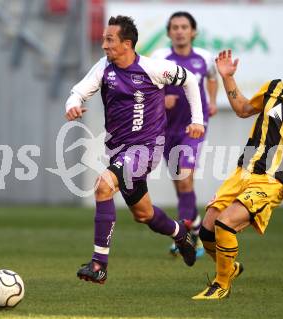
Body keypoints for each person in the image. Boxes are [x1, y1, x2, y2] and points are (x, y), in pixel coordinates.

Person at [64, 15, 205, 284]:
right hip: (119, 151)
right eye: (104, 39)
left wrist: (197, 120)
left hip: (146, 149)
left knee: (103, 185)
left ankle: (99, 265)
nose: (104, 45)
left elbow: (188, 80)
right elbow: (79, 91)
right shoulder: (104, 68)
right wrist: (72, 103)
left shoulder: (152, 69)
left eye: (109, 40)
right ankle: (180, 233)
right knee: (144, 215)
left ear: (127, 44)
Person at [193, 40, 283, 299]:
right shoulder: (275, 88)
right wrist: (227, 78)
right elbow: (243, 109)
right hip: (243, 171)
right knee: (208, 230)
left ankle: (221, 286)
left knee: (226, 223)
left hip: (273, 182)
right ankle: (230, 268)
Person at [151, 11, 218, 258]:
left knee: (185, 178)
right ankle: (196, 231)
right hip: (166, 127)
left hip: (195, 125)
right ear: (169, 33)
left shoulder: (204, 58)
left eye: (184, 27)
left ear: (193, 32)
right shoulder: (159, 58)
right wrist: (160, 98)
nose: (179, 31)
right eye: (175, 27)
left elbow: (212, 77)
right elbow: (147, 84)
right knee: (180, 184)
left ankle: (184, 236)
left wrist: (212, 101)